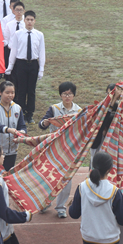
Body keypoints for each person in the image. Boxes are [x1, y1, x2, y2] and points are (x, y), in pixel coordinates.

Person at [75, 84, 123, 244]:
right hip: (101, 175)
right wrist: (112, 102)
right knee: (96, 215)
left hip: (119, 180)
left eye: (121, 94)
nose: (117, 97)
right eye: (113, 93)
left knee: (119, 223)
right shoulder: (98, 116)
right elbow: (98, 130)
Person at [37, 81, 81, 217]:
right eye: (64, 94)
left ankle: (61, 207)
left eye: (70, 94)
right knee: (49, 176)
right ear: (60, 95)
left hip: (69, 150)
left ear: (73, 95)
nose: (67, 96)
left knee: (66, 179)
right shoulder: (54, 108)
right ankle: (46, 202)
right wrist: (44, 122)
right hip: (53, 149)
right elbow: (42, 124)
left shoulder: (79, 111)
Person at [5, 10, 45, 124]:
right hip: (21, 64)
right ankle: (20, 113)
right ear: (24, 20)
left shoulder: (39, 35)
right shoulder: (18, 34)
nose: (29, 22)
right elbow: (14, 50)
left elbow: (41, 52)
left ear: (34, 21)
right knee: (21, 89)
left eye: (32, 20)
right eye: (27, 19)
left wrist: (41, 68)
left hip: (33, 64)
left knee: (31, 90)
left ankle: (30, 114)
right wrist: (10, 66)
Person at [0, 81, 26, 171]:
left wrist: (21, 132)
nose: (10, 95)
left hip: (12, 149)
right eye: (7, 92)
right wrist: (9, 130)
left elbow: (22, 126)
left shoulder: (17, 108)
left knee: (7, 175)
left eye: (12, 92)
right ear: (0, 92)